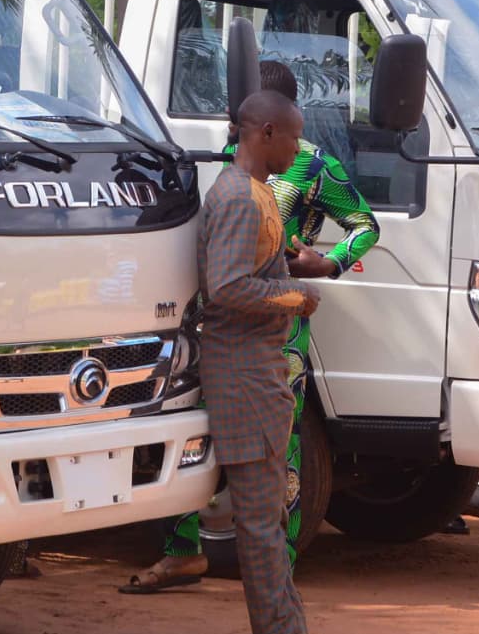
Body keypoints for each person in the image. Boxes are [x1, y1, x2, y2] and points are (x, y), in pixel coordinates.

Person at [124, 61, 397, 595]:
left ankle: (279, 566)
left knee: (281, 453)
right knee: (192, 436)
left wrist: (328, 263)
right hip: (218, 328)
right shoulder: (230, 162)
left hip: (279, 332)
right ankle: (182, 552)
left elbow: (366, 226)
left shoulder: (312, 164)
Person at [180, 89, 359, 634]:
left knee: (272, 515)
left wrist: (289, 264)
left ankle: (293, 631)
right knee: (259, 516)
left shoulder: (252, 193)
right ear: (263, 133)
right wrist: (297, 299)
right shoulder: (236, 196)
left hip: (256, 370)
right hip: (241, 371)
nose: (300, 147)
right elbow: (226, 286)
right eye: (293, 136)